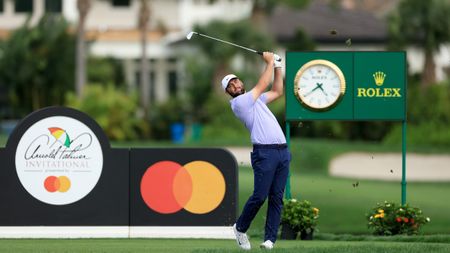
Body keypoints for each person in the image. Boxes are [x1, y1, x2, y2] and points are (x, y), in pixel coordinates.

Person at [222, 52, 291, 250]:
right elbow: (262, 83)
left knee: (277, 197)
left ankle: (269, 239)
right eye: (230, 86)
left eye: (236, 81)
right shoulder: (239, 103)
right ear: (228, 92)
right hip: (265, 153)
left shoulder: (257, 100)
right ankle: (240, 227)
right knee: (260, 196)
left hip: (282, 152)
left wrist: (277, 66)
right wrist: (269, 62)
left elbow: (277, 91)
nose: (235, 85)